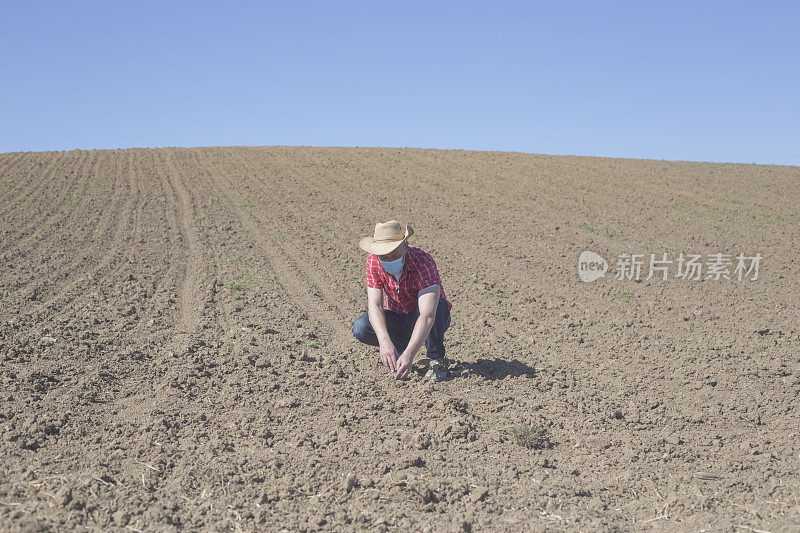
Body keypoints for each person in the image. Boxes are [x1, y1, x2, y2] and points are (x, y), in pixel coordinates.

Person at [352, 220, 452, 380]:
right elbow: (375, 306)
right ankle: (398, 350)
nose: (390, 260)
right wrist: (384, 342)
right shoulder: (373, 261)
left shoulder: (423, 261)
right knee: (361, 327)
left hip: (432, 320)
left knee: (436, 304)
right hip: (399, 317)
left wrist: (410, 354)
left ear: (406, 245)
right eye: (385, 256)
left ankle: (436, 359)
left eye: (395, 254)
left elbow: (427, 314)